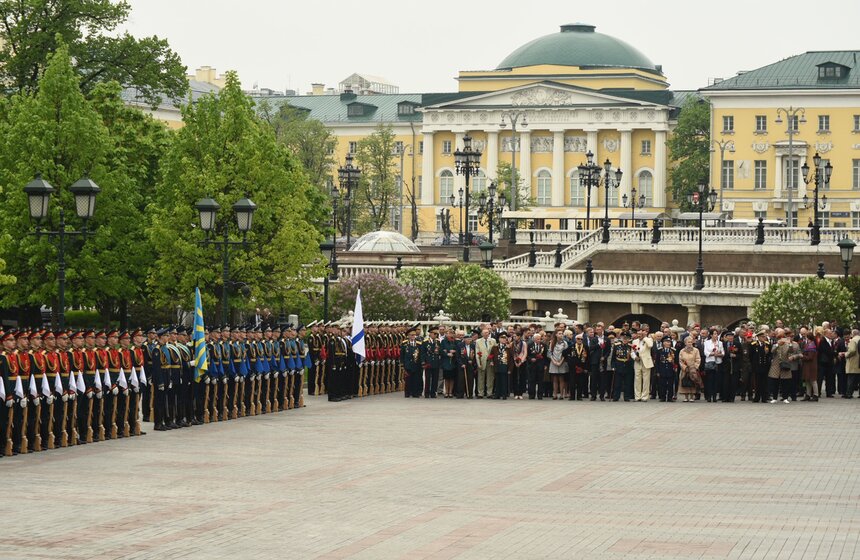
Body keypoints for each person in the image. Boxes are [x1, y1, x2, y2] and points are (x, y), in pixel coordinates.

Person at [400, 327, 422, 398]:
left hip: (416, 364)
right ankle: (407, 393)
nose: (413, 336)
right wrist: (402, 365)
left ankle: (415, 393)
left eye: (414, 335)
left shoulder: (418, 344)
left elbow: (420, 355)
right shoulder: (404, 344)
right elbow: (402, 355)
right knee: (408, 380)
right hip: (408, 364)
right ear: (408, 336)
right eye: (411, 335)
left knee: (416, 379)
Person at [702, 328, 723, 402]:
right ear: (711, 335)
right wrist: (713, 353)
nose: (716, 335)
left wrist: (719, 354)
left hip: (718, 363)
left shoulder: (720, 343)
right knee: (709, 380)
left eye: (717, 334)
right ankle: (709, 396)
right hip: (710, 363)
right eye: (714, 334)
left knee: (716, 381)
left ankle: (714, 396)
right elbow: (706, 353)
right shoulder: (707, 342)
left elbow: (723, 352)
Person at [632, 329, 654, 402]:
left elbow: (650, 345)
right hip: (638, 362)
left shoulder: (648, 339)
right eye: (638, 334)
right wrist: (635, 357)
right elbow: (632, 352)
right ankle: (637, 396)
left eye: (640, 334)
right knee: (637, 379)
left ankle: (644, 396)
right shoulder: (634, 341)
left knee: (646, 380)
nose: (639, 335)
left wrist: (644, 337)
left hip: (646, 362)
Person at [475, 329, 497, 399]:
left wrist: (493, 360)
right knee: (481, 378)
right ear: (482, 334)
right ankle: (480, 393)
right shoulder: (478, 341)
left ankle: (489, 393)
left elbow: (495, 351)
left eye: (487, 332)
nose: (486, 334)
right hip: (482, 361)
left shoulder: (493, 340)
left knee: (490, 378)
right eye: (484, 333)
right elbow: (477, 353)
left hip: (490, 362)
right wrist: (479, 363)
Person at [678, 336, 701, 402]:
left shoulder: (696, 350)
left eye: (691, 342)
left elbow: (698, 359)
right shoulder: (682, 351)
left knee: (692, 382)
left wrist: (695, 367)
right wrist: (684, 367)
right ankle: (686, 397)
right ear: (685, 343)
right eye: (688, 342)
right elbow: (680, 360)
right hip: (685, 369)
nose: (690, 343)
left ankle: (692, 396)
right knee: (685, 382)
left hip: (693, 369)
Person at [421, 326, 442, 399]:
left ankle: (433, 392)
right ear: (430, 334)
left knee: (435, 378)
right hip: (428, 362)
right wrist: (423, 362)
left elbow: (439, 352)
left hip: (436, 362)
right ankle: (427, 392)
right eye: (434, 334)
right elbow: (423, 353)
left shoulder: (438, 342)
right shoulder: (425, 342)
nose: (435, 335)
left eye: (436, 334)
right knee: (427, 378)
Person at [721, 331, 741, 402]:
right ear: (726, 337)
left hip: (734, 365)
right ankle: (725, 397)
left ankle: (732, 397)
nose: (730, 337)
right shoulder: (723, 344)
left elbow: (741, 354)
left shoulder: (737, 344)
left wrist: (736, 356)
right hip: (726, 365)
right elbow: (722, 354)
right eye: (728, 336)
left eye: (731, 336)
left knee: (733, 382)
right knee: (726, 382)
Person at [548, 330, 569, 400]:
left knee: (561, 378)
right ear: (556, 335)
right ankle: (555, 394)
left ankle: (562, 394)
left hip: (562, 362)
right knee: (555, 379)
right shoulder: (552, 342)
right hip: (554, 361)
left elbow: (565, 353)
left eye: (562, 333)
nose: (561, 335)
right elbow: (549, 353)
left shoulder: (565, 343)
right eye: (559, 333)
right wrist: (554, 361)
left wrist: (561, 362)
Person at [840, 329, 860, 398]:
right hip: (859, 362)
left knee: (851, 378)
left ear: (853, 334)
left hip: (853, 362)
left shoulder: (853, 341)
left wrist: (845, 354)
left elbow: (852, 350)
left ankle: (849, 393)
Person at [655, 337, 676, 402]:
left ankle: (670, 397)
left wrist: (675, 368)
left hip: (670, 370)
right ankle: (662, 397)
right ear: (663, 343)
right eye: (666, 342)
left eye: (669, 342)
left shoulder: (673, 350)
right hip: (662, 370)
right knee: (662, 384)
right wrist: (657, 371)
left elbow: (676, 361)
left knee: (670, 384)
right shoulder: (659, 350)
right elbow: (657, 362)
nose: (668, 343)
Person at [568, 334, 588, 400]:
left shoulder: (585, 347)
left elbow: (588, 358)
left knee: (580, 382)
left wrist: (586, 368)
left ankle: (579, 396)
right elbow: (564, 353)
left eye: (581, 339)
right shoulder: (571, 346)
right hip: (573, 367)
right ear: (575, 339)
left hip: (582, 367)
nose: (580, 340)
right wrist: (570, 361)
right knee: (572, 382)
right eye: (578, 339)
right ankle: (572, 396)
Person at [439, 328, 458, 398]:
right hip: (446, 361)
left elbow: (458, 349)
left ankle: (450, 392)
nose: (450, 334)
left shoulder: (455, 341)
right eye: (448, 333)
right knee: (446, 378)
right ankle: (446, 392)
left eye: (451, 333)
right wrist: (447, 353)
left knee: (452, 378)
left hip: (453, 361)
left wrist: (454, 351)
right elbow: (441, 351)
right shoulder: (443, 341)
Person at [526, 333, 546, 400]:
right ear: (534, 339)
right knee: (532, 380)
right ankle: (531, 394)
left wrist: (545, 365)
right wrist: (530, 359)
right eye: (537, 339)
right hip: (532, 365)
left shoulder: (543, 345)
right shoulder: (529, 345)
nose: (539, 340)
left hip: (540, 365)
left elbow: (545, 356)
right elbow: (527, 355)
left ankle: (540, 395)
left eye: (540, 339)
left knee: (540, 381)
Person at [801, 332, 819, 401]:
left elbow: (810, 357)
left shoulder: (812, 345)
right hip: (807, 366)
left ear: (808, 338)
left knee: (813, 380)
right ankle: (808, 394)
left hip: (811, 366)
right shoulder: (809, 344)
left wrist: (802, 356)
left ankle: (816, 395)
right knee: (807, 380)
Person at [491, 332, 509, 399]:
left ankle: (504, 394)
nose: (504, 340)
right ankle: (497, 394)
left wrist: (510, 369)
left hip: (505, 365)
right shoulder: (495, 347)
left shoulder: (508, 347)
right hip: (497, 365)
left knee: (504, 380)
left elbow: (511, 358)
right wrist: (491, 361)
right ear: (499, 339)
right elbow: (491, 355)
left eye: (505, 339)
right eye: (502, 338)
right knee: (497, 380)